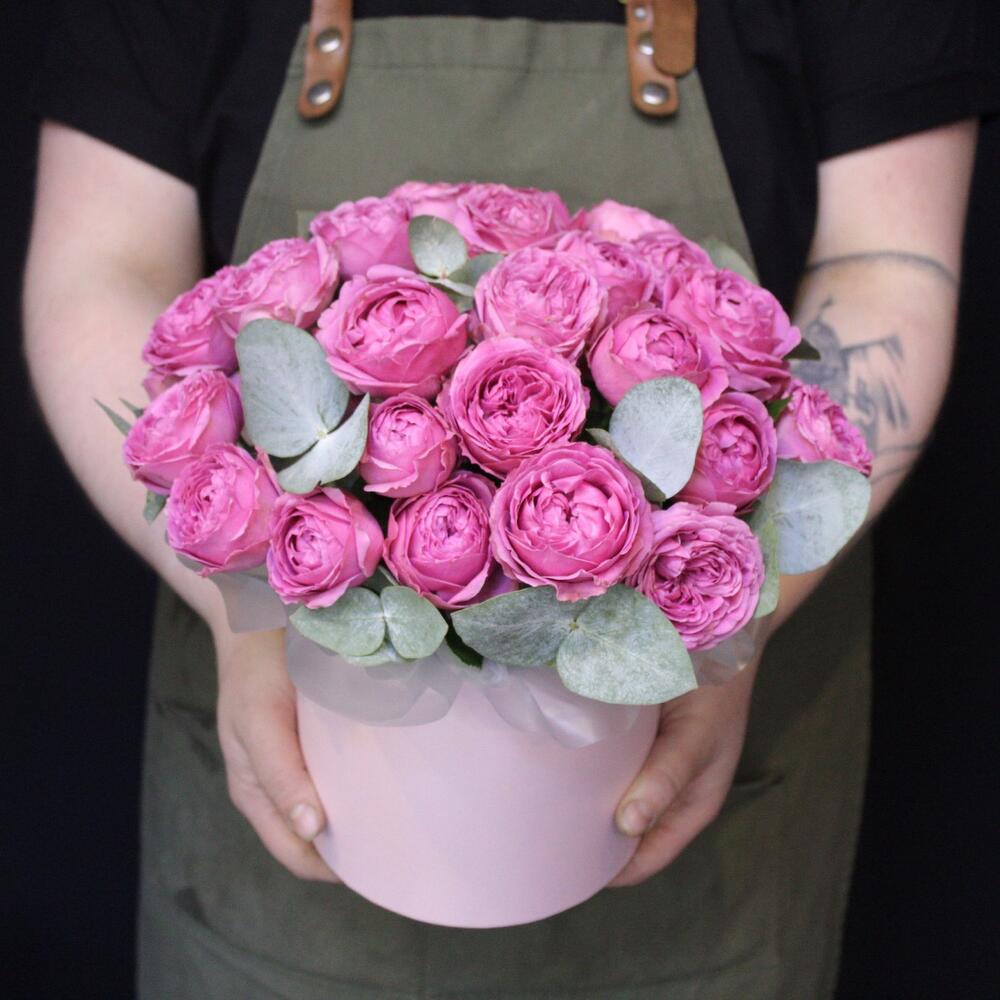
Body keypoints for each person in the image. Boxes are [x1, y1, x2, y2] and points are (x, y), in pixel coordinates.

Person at [22, 1, 998, 997]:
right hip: (287, 811)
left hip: (704, 856)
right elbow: (101, 267)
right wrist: (247, 610)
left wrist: (723, 630)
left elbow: (886, 266)